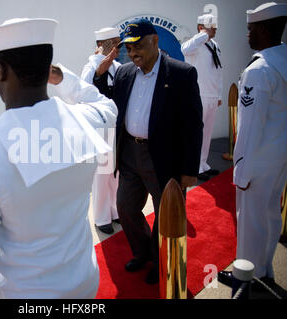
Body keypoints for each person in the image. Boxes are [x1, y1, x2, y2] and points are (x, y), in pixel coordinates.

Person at [0, 18, 118, 298]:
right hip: (85, 285)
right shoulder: (85, 120)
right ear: (48, 68)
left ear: (0, 70)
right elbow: (107, 107)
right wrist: (63, 78)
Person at [113, 18, 203, 284]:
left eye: (138, 46)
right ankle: (142, 252)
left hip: (164, 157)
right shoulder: (124, 73)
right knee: (126, 207)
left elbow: (193, 125)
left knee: (166, 215)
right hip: (129, 153)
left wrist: (189, 170)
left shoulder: (181, 74)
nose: (132, 53)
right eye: (128, 48)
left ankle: (160, 258)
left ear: (155, 40)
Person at [217, 2, 287, 290]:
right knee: (270, 215)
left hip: (257, 161)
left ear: (266, 29)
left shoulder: (259, 70)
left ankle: (246, 277)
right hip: (278, 157)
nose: (247, 35)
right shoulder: (283, 58)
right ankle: (265, 268)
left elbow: (249, 128)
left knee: (248, 222)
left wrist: (241, 171)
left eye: (251, 29)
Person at [81, 27, 121, 234]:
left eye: (118, 43)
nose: (117, 47)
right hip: (100, 129)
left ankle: (115, 211)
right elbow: (83, 92)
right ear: (101, 45)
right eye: (113, 43)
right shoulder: (90, 67)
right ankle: (101, 216)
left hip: (117, 127)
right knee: (101, 174)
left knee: (115, 174)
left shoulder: (118, 66)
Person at [181, 13, 223, 181]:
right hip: (198, 95)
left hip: (212, 95)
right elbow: (184, 49)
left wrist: (219, 93)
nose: (214, 29)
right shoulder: (195, 44)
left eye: (215, 27)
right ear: (201, 28)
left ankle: (203, 164)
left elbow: (219, 71)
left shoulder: (215, 45)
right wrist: (203, 35)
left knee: (207, 133)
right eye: (211, 27)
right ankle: (195, 167)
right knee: (196, 133)